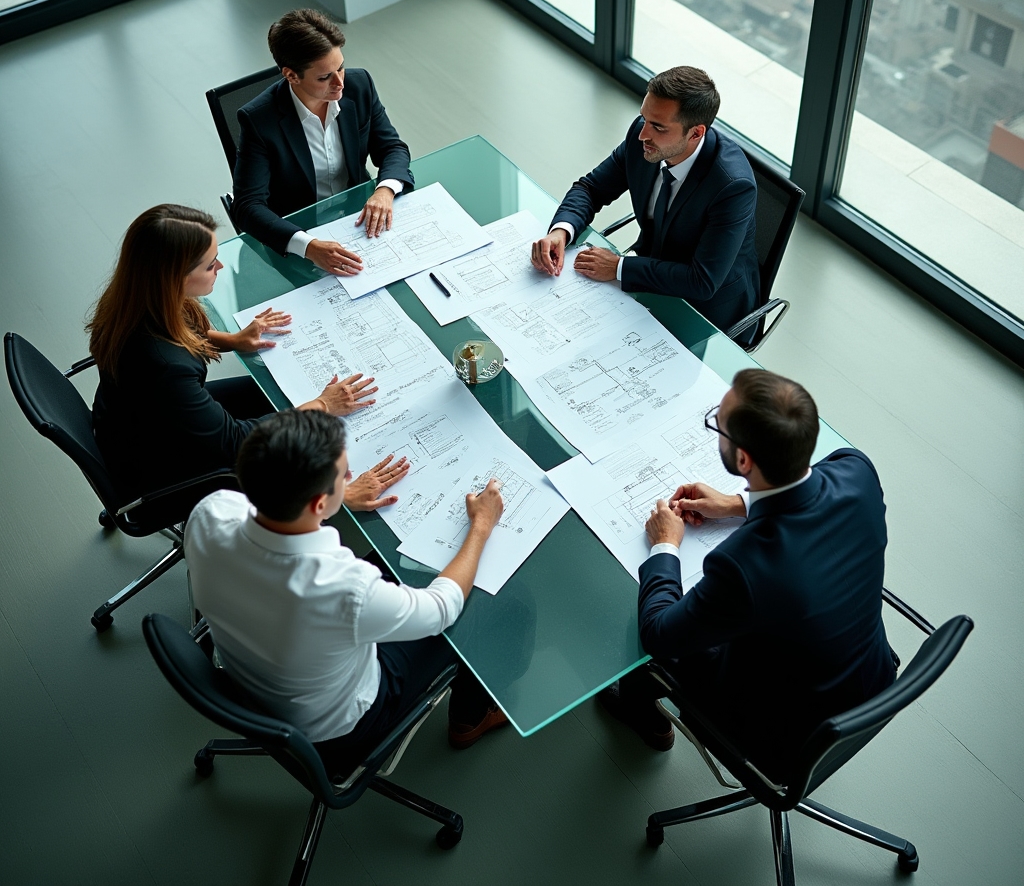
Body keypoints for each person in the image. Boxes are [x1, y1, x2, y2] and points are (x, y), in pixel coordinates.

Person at [600, 369, 896, 780]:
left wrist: (665, 544)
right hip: (871, 679)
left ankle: (642, 714)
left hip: (786, 735)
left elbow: (659, 633)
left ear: (743, 459)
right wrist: (739, 503)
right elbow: (807, 494)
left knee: (642, 617)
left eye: (717, 425)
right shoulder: (857, 469)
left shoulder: (743, 564)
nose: (716, 429)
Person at [184, 409, 510, 772]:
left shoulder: (209, 513)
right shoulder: (341, 586)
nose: (352, 476)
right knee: (482, 597)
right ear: (318, 504)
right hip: (342, 729)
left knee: (393, 571)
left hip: (251, 675)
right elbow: (441, 608)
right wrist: (481, 526)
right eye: (343, 476)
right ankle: (472, 717)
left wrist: (335, 500)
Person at [89, 204, 386, 498]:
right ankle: (335, 499)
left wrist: (234, 340)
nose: (219, 267)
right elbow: (236, 443)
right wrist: (323, 405)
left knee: (276, 392)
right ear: (174, 279)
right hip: (157, 465)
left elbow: (181, 333)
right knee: (303, 443)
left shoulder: (135, 298)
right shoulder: (166, 366)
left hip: (138, 418)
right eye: (209, 265)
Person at [531, 66, 759, 339]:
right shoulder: (643, 138)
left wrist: (618, 267)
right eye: (644, 118)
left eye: (658, 127)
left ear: (696, 133)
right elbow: (591, 188)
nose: (642, 134)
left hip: (706, 312)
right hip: (648, 279)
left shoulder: (733, 186)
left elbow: (702, 281)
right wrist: (561, 231)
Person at [232, 8, 415, 275]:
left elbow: (392, 148)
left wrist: (384, 190)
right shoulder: (258, 120)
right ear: (291, 75)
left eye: (340, 66)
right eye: (324, 77)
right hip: (301, 234)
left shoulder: (359, 84)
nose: (340, 82)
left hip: (359, 218)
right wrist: (309, 246)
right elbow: (247, 206)